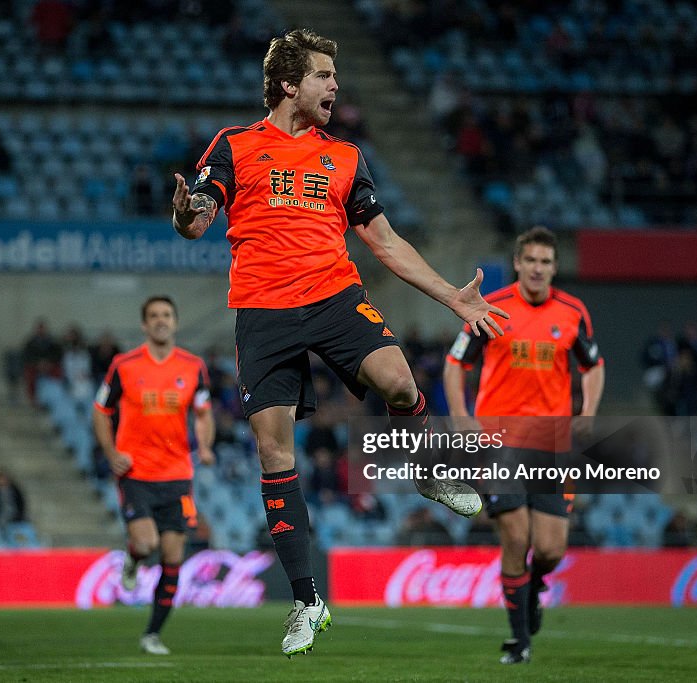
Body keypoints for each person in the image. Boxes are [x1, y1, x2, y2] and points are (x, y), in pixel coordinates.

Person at [171, 28, 507, 657]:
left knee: (402, 382)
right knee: (276, 454)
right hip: (263, 312)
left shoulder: (346, 156)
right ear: (289, 84)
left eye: (335, 75)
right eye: (324, 75)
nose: (335, 85)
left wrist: (451, 297)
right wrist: (186, 213)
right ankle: (307, 600)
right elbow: (197, 220)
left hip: (333, 296)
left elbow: (384, 241)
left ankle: (432, 473)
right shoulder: (235, 146)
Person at [443, 226, 604, 665]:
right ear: (518, 263)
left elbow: (593, 366)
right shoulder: (492, 307)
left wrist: (587, 413)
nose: (537, 268)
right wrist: (461, 416)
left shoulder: (573, 312)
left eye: (546, 262)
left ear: (554, 267)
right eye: (530, 260)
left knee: (551, 548)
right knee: (516, 535)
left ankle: (532, 588)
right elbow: (456, 363)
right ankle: (519, 640)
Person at [92, 296, 215, 656]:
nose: (161, 321)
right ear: (144, 325)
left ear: (175, 322)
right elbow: (101, 411)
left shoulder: (194, 367)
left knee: (173, 558)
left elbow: (204, 413)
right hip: (137, 473)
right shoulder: (123, 365)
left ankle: (152, 635)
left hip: (177, 474)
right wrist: (111, 453)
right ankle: (133, 557)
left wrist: (205, 447)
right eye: (153, 316)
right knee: (147, 544)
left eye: (166, 315)